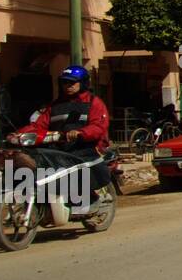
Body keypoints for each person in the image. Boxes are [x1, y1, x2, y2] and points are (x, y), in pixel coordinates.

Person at [8, 65, 114, 196]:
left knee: (79, 178)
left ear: (83, 83)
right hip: (59, 149)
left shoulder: (94, 103)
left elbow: (99, 126)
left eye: (72, 82)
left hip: (85, 149)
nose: (68, 86)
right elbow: (38, 126)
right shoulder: (55, 106)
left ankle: (89, 199)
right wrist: (18, 135)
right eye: (65, 82)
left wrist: (81, 133)